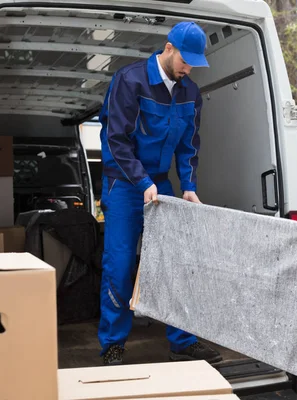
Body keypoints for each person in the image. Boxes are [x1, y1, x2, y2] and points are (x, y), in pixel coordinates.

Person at [97, 21, 222, 366]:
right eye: (185, 59)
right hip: (124, 184)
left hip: (160, 184)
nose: (189, 67)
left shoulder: (190, 93)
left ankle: (182, 342)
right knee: (120, 266)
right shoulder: (130, 80)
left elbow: (188, 146)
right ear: (169, 48)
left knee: (175, 264)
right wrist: (142, 183)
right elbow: (116, 141)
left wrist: (190, 188)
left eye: (194, 62)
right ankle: (112, 343)